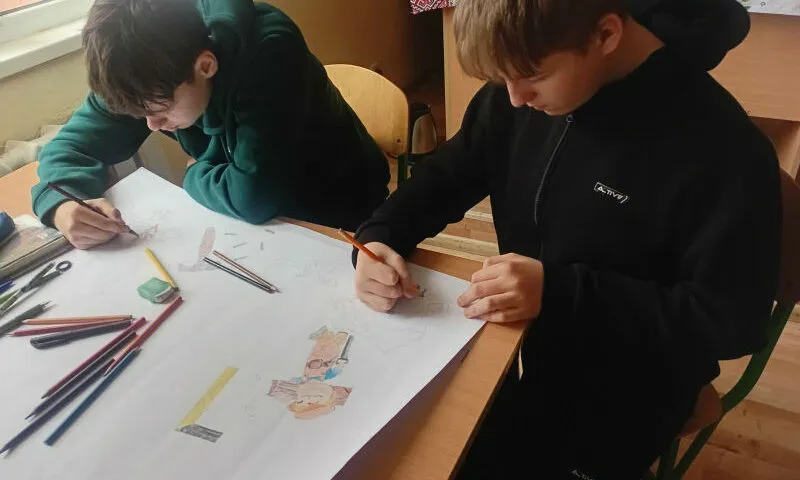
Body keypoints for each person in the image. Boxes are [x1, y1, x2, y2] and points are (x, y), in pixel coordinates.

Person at [350, 0, 781, 478]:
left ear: (606, 35)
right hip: (524, 346)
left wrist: (558, 292)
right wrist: (384, 233)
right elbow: (455, 170)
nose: (515, 98)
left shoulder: (724, 152)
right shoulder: (525, 80)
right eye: (501, 79)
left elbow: (728, 322)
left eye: (531, 77)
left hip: (633, 385)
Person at [31, 0, 389, 250]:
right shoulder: (140, 71)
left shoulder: (270, 53)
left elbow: (255, 197)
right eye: (141, 114)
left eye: (161, 110)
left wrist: (193, 175)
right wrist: (61, 206)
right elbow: (69, 147)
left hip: (339, 211)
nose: (153, 125)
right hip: (256, 221)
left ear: (205, 66)